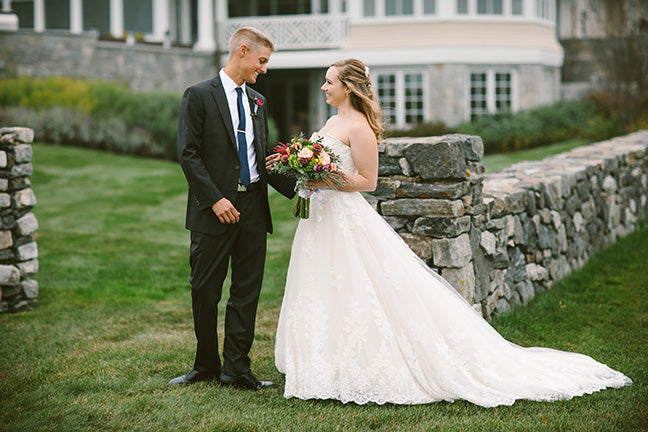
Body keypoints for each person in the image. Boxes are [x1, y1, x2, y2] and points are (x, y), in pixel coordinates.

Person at [273, 58, 632, 406]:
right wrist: (301, 172)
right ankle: (327, 365)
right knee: (323, 285)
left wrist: (323, 178)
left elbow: (368, 181)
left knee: (357, 286)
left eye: (329, 81)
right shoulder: (330, 120)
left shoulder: (359, 128)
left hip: (345, 217)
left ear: (348, 88)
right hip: (320, 216)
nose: (323, 86)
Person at [170, 27, 295, 390]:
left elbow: (259, 152)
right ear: (242, 51)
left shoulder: (258, 100)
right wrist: (215, 199)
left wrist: (300, 183)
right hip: (215, 210)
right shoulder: (197, 95)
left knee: (247, 290)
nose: (265, 69)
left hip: (254, 207)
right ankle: (205, 364)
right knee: (205, 290)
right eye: (262, 60)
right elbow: (188, 153)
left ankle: (237, 370)